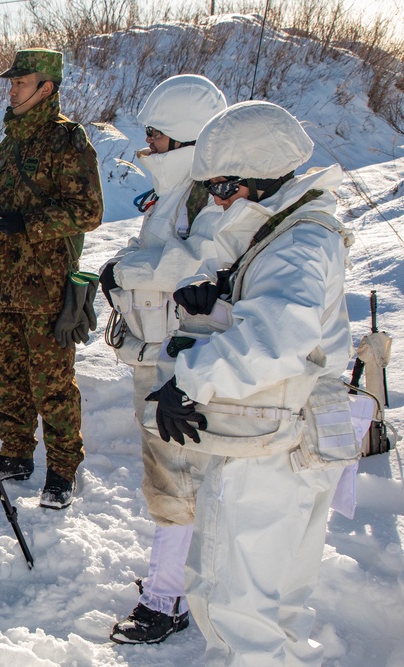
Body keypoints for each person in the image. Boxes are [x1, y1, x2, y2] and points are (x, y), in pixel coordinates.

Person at [147, 100, 354, 666]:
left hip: (272, 445)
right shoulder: (287, 229)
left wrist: (189, 382)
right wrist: (217, 302)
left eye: (225, 186)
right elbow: (278, 318)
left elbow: (276, 339)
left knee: (233, 601)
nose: (216, 200)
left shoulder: (298, 243)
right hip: (299, 434)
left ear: (262, 175)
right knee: (281, 603)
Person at [104, 75, 227, 645]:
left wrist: (132, 272)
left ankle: (166, 597)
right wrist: (119, 269)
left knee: (174, 479)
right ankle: (179, 578)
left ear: (182, 140)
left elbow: (201, 269)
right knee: (172, 476)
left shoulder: (207, 198)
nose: (145, 146)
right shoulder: (178, 194)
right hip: (158, 352)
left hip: (183, 362)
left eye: (154, 137)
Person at [0, 49, 103, 509]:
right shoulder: (9, 142)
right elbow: (3, 207)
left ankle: (62, 470)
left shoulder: (68, 141)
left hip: (47, 288)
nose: (11, 88)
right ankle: (15, 455)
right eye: (12, 81)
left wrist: (29, 224)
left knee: (53, 383)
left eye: (21, 82)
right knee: (10, 378)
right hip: (5, 286)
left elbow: (89, 212)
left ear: (47, 88)